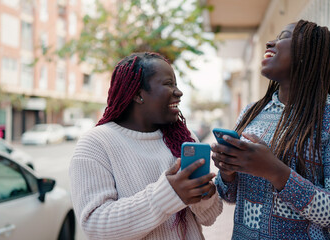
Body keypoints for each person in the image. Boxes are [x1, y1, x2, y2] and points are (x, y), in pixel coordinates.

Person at [211, 20, 330, 239]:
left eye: (283, 37)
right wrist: (227, 172)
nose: (269, 42)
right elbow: (229, 195)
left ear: (307, 53)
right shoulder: (251, 112)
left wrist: (276, 172)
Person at [69, 52, 222, 240]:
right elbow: (96, 226)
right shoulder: (96, 144)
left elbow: (210, 218)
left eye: (176, 84)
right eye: (168, 84)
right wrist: (168, 195)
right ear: (138, 94)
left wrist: (204, 194)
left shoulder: (184, 138)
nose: (178, 92)